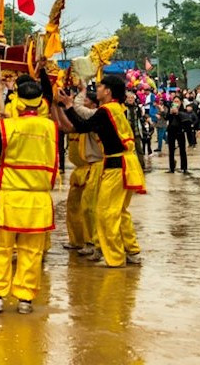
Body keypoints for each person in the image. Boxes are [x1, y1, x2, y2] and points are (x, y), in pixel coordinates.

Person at [0, 78, 58, 313]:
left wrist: (1, 127)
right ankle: (25, 300)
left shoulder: (7, 126)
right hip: (39, 200)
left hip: (10, 198)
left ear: (18, 101)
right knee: (32, 251)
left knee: (0, 248)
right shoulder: (50, 127)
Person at [56, 74, 144, 268]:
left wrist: (70, 106)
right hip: (124, 164)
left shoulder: (106, 111)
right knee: (119, 211)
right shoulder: (116, 108)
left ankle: (114, 257)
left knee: (105, 212)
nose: (98, 90)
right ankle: (132, 251)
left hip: (117, 165)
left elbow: (83, 126)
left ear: (108, 91)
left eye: (101, 86)